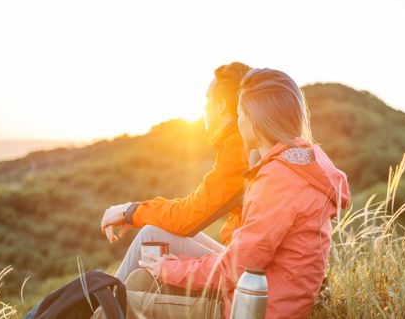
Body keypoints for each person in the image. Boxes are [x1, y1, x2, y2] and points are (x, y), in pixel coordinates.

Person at [138, 68, 351, 318]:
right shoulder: (303, 161)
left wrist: (169, 269)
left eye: (240, 114)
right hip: (277, 297)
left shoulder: (278, 179)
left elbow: (235, 269)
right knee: (141, 279)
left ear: (253, 118)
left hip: (255, 310)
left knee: (127, 297)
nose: (238, 123)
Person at [100, 62, 258, 282]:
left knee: (149, 235)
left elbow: (187, 217)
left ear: (221, 105)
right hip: (249, 262)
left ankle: (100, 312)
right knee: (154, 231)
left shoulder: (238, 147)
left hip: (251, 275)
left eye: (207, 101)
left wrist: (131, 211)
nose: (204, 109)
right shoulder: (242, 143)